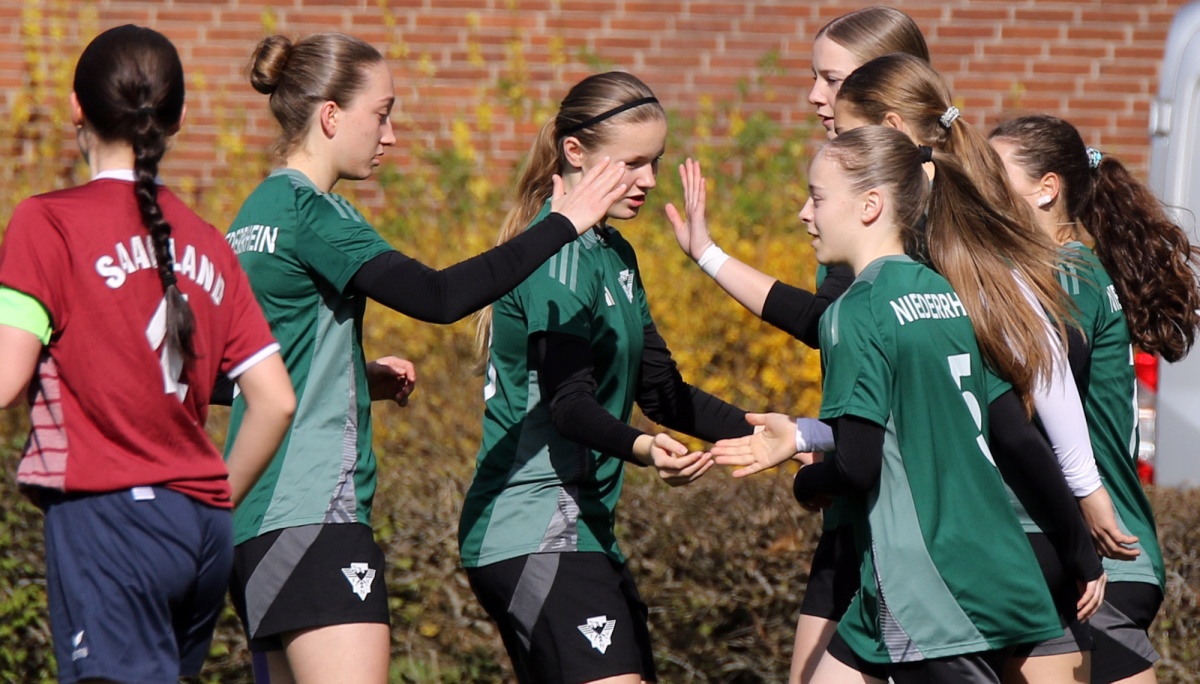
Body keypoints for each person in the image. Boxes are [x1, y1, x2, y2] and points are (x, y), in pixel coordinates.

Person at [226, 33, 630, 684]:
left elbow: (233, 379)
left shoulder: (254, 212)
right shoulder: (313, 210)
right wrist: (562, 221)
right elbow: (439, 298)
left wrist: (354, 380)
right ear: (330, 115)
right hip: (314, 513)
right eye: (381, 114)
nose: (389, 135)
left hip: (253, 523)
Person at [0, 25, 295, 683]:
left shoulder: (46, 222)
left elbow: (4, 378)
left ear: (77, 107)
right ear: (178, 117)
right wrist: (213, 498)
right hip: (201, 535)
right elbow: (275, 400)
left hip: (109, 523)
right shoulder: (209, 244)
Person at [458, 71, 755, 684]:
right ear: (575, 154)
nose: (649, 180)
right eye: (634, 164)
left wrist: (774, 435)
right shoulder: (558, 252)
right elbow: (569, 405)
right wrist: (645, 448)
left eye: (657, 162)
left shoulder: (613, 253)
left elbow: (663, 393)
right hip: (532, 525)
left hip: (584, 530)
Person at [669, 9, 930, 682]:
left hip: (912, 518)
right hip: (856, 502)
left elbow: (915, 395)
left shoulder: (920, 217)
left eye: (831, 79)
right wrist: (707, 254)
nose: (816, 96)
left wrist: (812, 448)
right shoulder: (852, 208)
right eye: (812, 77)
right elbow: (826, 320)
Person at [790, 125, 1072, 683]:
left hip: (929, 585)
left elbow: (858, 463)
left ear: (871, 205)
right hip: (968, 558)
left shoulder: (857, 308)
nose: (805, 213)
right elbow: (1005, 426)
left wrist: (806, 483)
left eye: (817, 198)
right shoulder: (947, 294)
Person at [991, 114, 1200, 684]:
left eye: (994, 173)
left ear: (1046, 188)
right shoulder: (1068, 268)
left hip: (1100, 556)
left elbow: (1047, 362)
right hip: (1106, 556)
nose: (978, 186)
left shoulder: (1064, 272)